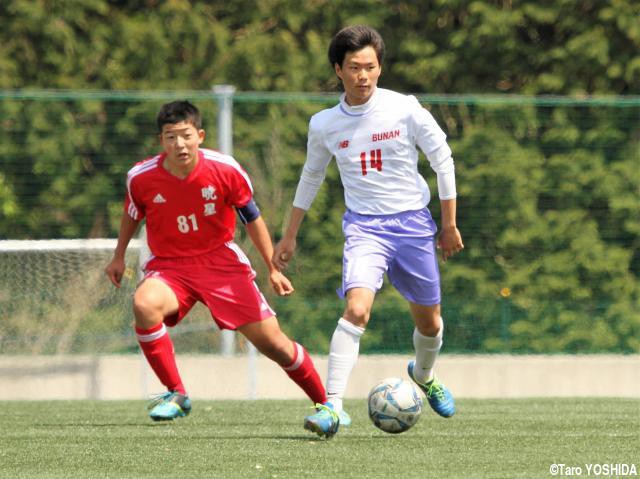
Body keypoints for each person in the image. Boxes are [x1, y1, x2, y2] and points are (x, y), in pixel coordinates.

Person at [105, 100, 339, 438]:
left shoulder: (225, 169)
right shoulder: (141, 177)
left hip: (221, 264)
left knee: (275, 345)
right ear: (161, 141)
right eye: (170, 137)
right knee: (144, 304)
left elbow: (252, 218)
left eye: (185, 135)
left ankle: (326, 406)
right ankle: (177, 393)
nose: (179, 144)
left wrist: (273, 267)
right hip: (170, 268)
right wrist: (118, 256)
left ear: (199, 135)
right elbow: (132, 214)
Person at [273, 25, 464, 436]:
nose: (364, 76)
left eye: (371, 67)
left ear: (380, 67)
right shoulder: (324, 124)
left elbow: (443, 160)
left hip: (413, 225)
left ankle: (425, 376)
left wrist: (448, 224)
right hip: (365, 229)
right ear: (338, 69)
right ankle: (332, 406)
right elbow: (311, 176)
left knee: (430, 323)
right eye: (355, 67)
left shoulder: (405, 108)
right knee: (357, 310)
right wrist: (289, 235)